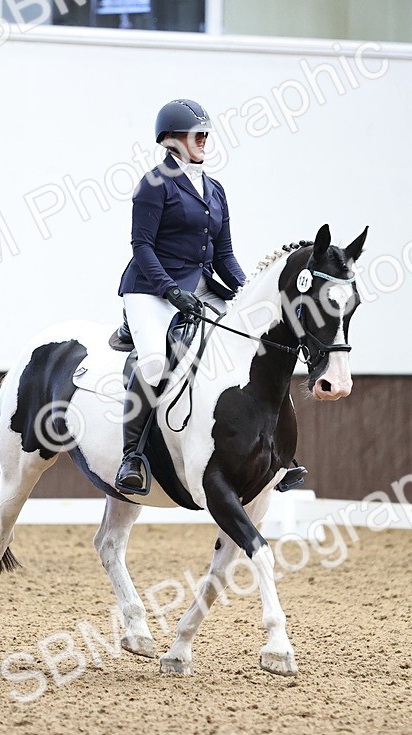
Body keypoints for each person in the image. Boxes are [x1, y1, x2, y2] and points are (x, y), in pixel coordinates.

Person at [114, 99, 306, 495]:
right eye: (193, 132)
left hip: (200, 288)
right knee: (153, 364)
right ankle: (132, 455)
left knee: (253, 347)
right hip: (151, 290)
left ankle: (279, 453)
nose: (203, 138)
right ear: (170, 140)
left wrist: (247, 292)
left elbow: (224, 255)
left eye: (204, 132)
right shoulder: (154, 184)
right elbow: (142, 247)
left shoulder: (214, 189)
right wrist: (169, 290)